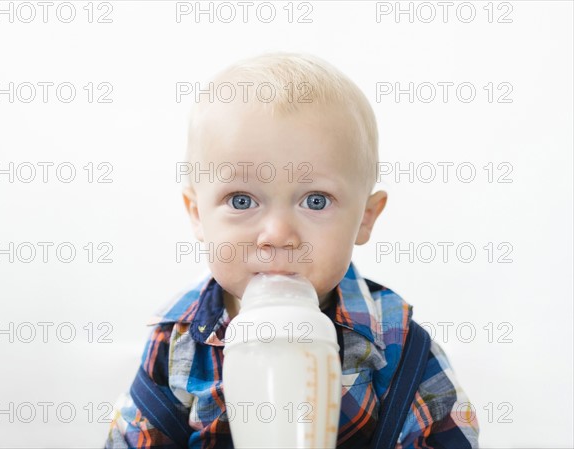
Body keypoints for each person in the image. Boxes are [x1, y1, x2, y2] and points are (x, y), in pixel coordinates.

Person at [105, 52, 479, 448]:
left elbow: (448, 434)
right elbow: (131, 439)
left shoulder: (397, 341)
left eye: (315, 200)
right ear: (198, 215)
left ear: (366, 217)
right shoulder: (175, 342)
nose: (278, 235)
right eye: (242, 200)